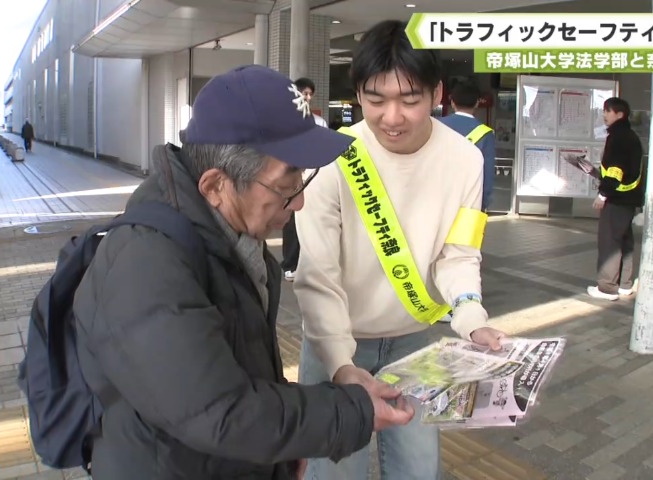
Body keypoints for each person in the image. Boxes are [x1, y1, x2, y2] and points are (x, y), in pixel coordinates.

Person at [71, 65, 414, 479]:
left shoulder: (228, 237)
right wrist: (354, 411)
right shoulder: (145, 266)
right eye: (286, 183)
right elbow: (221, 412)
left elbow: (240, 374)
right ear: (216, 186)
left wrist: (283, 451)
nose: (299, 202)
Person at [293, 20, 508, 479]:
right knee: (334, 474)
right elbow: (318, 274)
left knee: (419, 470)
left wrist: (472, 319)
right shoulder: (331, 158)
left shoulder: (465, 159)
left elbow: (458, 253)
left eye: (410, 100)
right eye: (376, 100)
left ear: (437, 93)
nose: (392, 117)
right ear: (358, 95)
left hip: (413, 345)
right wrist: (340, 364)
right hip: (336, 343)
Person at [587, 97, 644, 301]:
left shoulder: (618, 137)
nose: (604, 114)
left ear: (620, 114)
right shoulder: (630, 136)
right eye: (604, 110)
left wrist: (603, 194)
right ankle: (624, 285)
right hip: (628, 199)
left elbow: (615, 170)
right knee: (624, 241)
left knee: (610, 242)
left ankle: (607, 288)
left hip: (616, 199)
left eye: (608, 111)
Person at [281, 77, 327, 282]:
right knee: (292, 221)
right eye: (304, 93)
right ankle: (290, 264)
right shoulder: (286, 120)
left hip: (313, 176)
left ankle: (309, 263)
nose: (307, 97)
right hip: (292, 176)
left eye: (310, 94)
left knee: (312, 221)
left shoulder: (319, 122)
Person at [439, 80, 496, 212]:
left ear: (452, 102)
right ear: (477, 103)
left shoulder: (435, 125)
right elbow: (487, 174)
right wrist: (483, 204)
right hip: (469, 203)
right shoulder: (485, 134)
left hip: (437, 199)